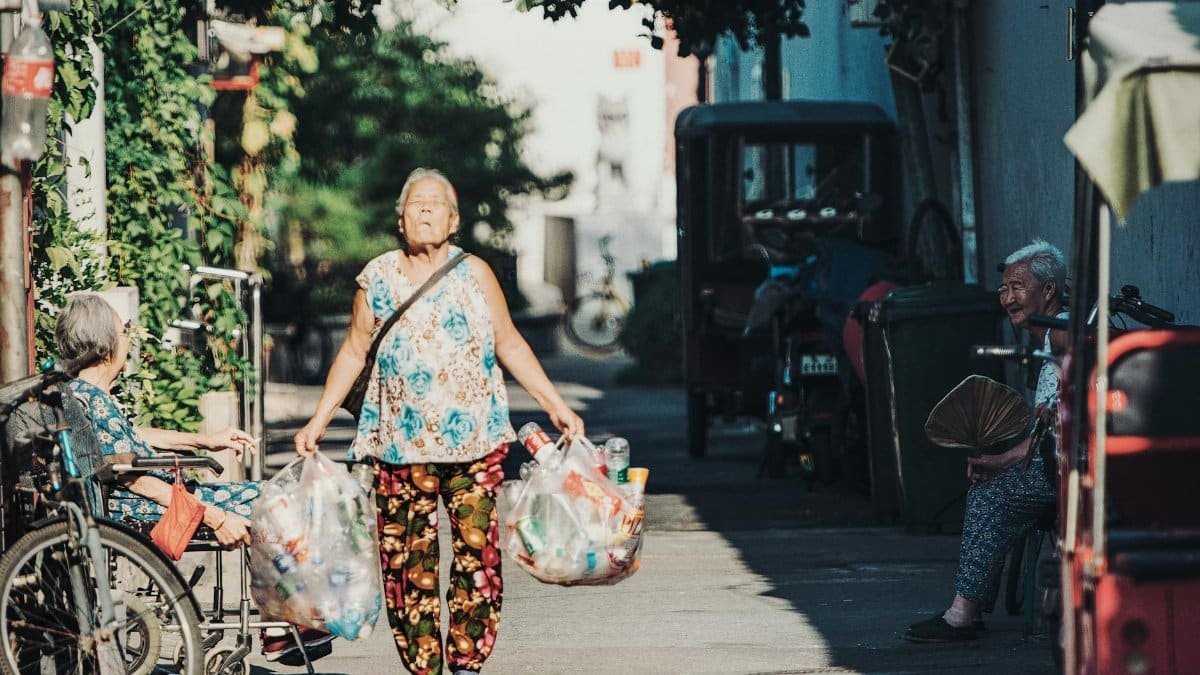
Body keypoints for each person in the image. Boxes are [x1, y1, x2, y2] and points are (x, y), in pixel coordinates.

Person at [294, 167, 584, 675]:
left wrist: (554, 403)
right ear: (400, 219)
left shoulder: (475, 272)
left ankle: (468, 661)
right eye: (415, 203)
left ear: (454, 220)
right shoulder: (377, 276)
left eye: (435, 203)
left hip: (474, 442)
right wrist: (318, 419)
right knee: (408, 564)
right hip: (397, 446)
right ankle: (424, 665)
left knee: (478, 558)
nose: (424, 210)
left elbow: (509, 341)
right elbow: (355, 350)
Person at [55, 292, 334, 663]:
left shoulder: (84, 395)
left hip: (149, 497)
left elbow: (132, 439)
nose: (127, 338)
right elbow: (132, 476)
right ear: (105, 344)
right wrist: (215, 517)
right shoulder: (91, 398)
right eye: (123, 331)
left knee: (274, 493)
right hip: (146, 504)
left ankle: (284, 622)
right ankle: (283, 625)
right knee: (278, 499)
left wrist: (204, 440)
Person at [904, 239, 1068, 642]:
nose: (1007, 296)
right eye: (1003, 289)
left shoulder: (1064, 335)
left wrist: (1006, 462)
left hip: (1065, 469)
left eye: (1017, 286)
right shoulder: (1050, 337)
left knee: (988, 495)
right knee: (993, 480)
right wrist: (1004, 459)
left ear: (1047, 291)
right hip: (1052, 460)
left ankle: (963, 614)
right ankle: (973, 604)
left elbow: (1060, 429)